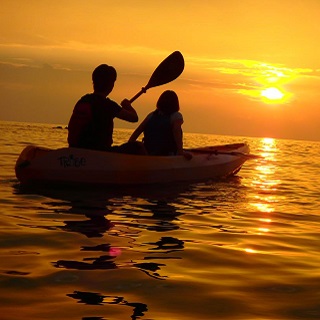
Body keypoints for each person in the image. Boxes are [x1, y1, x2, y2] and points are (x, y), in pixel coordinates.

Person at [67, 64, 139, 152]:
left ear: (94, 82)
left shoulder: (83, 100)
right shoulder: (108, 105)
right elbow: (134, 118)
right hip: (99, 153)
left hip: (75, 149)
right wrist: (128, 106)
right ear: (111, 85)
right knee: (137, 146)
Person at [129, 90, 192, 159]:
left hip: (148, 152)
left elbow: (138, 131)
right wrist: (181, 152)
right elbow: (176, 131)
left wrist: (128, 145)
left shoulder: (152, 115)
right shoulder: (176, 116)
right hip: (167, 154)